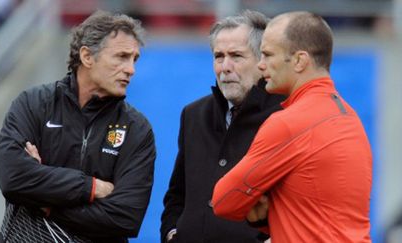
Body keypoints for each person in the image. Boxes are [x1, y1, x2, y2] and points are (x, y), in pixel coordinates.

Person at [212, 11, 373, 242]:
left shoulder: (289, 123)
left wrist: (262, 204)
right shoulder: (350, 118)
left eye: (267, 54)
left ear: (299, 60)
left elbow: (223, 200)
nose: (261, 64)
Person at [0, 10, 156, 243]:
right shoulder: (32, 104)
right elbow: (14, 179)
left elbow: (125, 217)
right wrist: (91, 187)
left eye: (134, 59)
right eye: (121, 57)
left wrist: (48, 204)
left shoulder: (137, 128)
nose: (131, 69)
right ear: (87, 56)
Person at [160, 10, 285, 243]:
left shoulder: (285, 116)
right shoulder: (193, 114)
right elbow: (177, 195)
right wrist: (171, 234)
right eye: (219, 56)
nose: (224, 67)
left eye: (236, 56)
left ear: (262, 61)